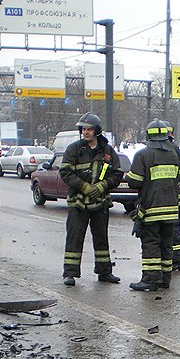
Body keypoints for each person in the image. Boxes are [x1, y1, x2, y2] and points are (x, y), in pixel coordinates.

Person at [59, 112, 123, 286]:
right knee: (74, 237)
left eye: (89, 129)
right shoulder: (74, 149)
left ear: (97, 131)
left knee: (101, 238)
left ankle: (104, 272)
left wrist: (102, 187)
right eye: (84, 129)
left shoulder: (108, 152)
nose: (86, 132)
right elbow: (65, 172)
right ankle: (70, 273)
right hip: (78, 203)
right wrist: (84, 187)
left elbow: (117, 174)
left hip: (99, 203)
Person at [126, 119, 180, 292]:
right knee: (167, 244)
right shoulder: (175, 153)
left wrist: (130, 176)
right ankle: (165, 279)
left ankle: (150, 279)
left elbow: (134, 182)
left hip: (151, 209)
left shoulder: (143, 155)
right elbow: (179, 177)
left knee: (151, 243)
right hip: (172, 209)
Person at [163, 120, 180, 272]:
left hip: (169, 196)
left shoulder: (168, 150)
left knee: (172, 230)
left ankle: (177, 260)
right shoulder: (176, 150)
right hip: (175, 195)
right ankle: (178, 260)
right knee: (175, 228)